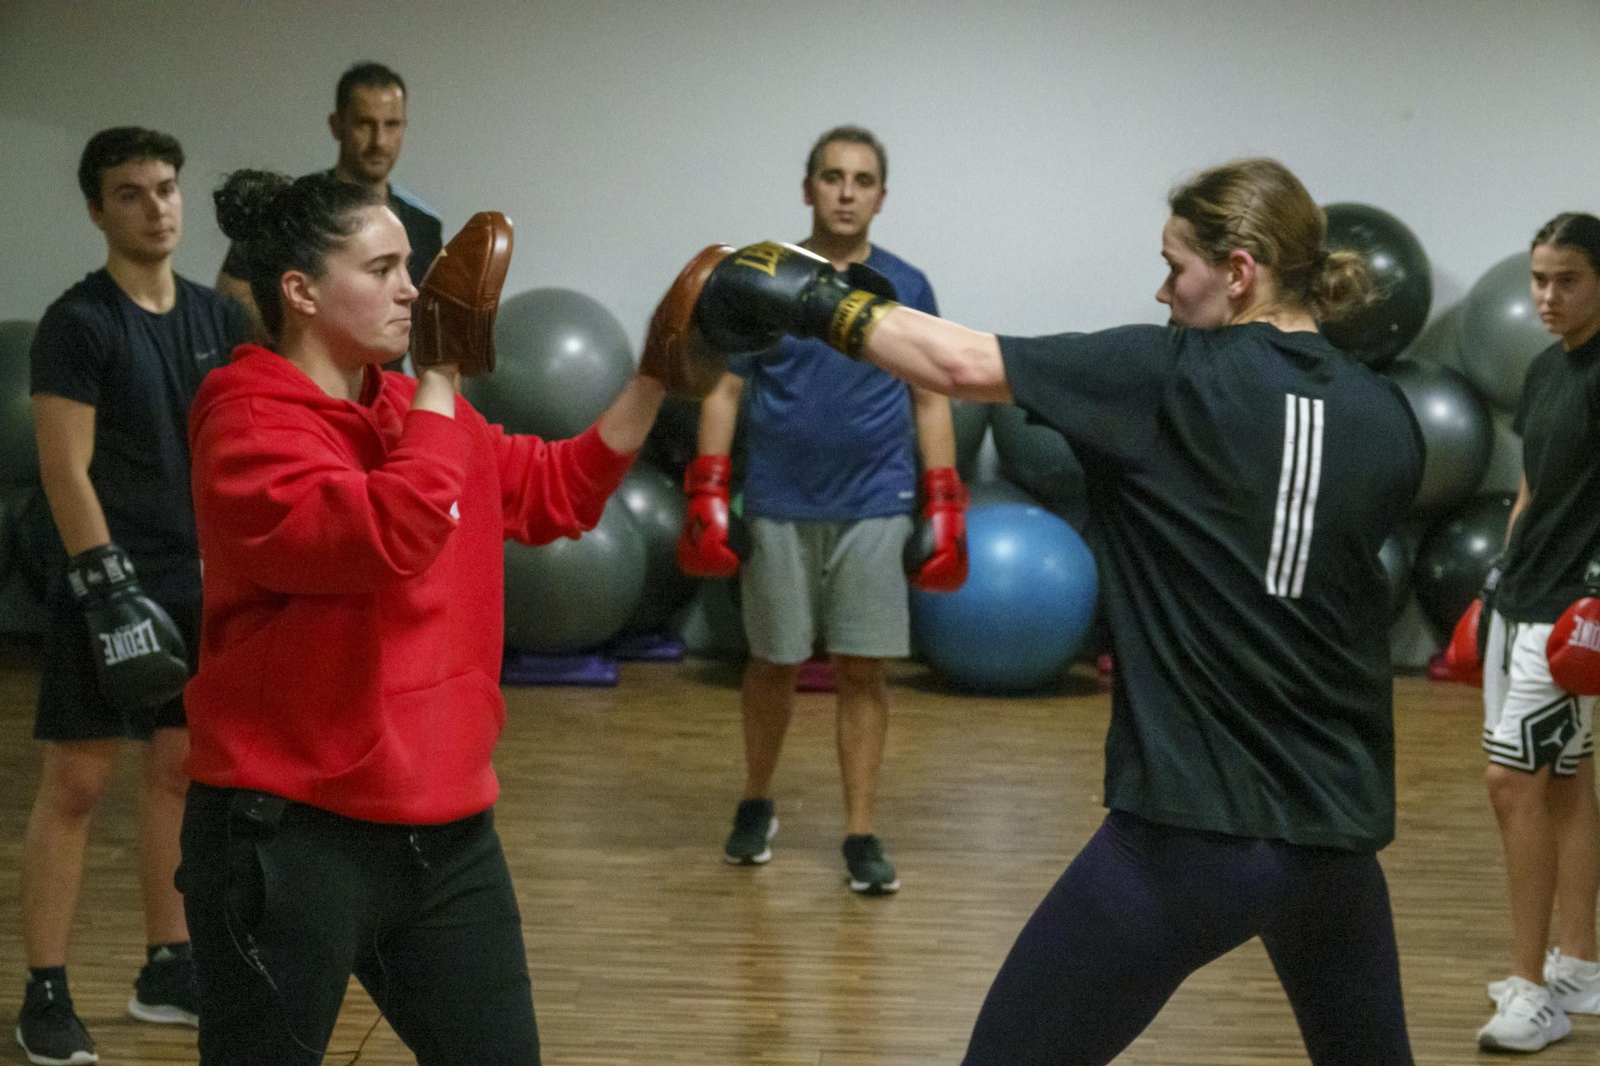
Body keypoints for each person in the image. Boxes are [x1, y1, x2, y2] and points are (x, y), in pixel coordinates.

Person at [681, 157, 1424, 1064]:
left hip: (1191, 834)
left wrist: (811, 299)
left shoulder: (1165, 374)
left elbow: (956, 362)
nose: (1163, 292)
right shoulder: (1389, 417)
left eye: (1175, 268)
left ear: (1239, 271)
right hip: (1337, 837)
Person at [178, 168, 666, 1064]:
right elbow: (389, 533)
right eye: (383, 269)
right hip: (291, 836)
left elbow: (555, 491)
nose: (413, 289)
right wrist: (440, 374)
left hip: (444, 836)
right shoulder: (246, 424)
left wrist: (658, 375)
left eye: (412, 266)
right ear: (301, 291)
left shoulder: (414, 410)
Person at [679, 125, 964, 895]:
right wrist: (708, 487)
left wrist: (945, 498)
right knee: (772, 662)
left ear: (881, 197)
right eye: (833, 177)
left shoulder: (907, 284)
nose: (846, 192)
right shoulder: (763, 277)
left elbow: (930, 395)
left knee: (863, 670)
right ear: (808, 188)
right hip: (779, 500)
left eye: (862, 180)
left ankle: (860, 832)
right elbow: (726, 388)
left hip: (876, 502)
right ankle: (755, 801)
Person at [17, 127, 251, 1066]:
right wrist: (109, 589)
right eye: (130, 193)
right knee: (78, 783)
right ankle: (43, 990)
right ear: (96, 210)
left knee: (178, 772)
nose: (156, 207)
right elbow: (64, 470)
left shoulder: (220, 318)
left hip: (198, 583)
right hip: (109, 588)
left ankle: (167, 965)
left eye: (165, 189)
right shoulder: (78, 323)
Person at [1477, 212, 1600, 1052]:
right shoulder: (1546, 368)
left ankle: (1532, 993)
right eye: (1539, 279)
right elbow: (1533, 486)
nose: (1547, 297)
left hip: (1569, 613)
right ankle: (1580, 967)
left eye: (1568, 280)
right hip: (1519, 596)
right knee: (1564, 783)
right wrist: (1499, 576)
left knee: (1510, 785)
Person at [215, 61, 442, 346]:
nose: (379, 141)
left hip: (381, 374)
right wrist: (316, 343)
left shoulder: (424, 226)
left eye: (392, 124)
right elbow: (231, 299)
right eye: (364, 124)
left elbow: (431, 330)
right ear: (337, 126)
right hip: (300, 368)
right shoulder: (294, 206)